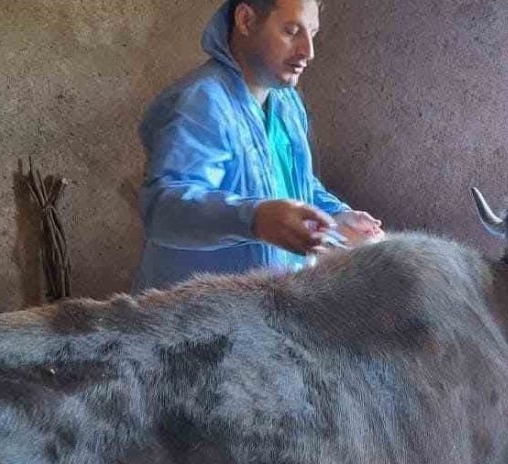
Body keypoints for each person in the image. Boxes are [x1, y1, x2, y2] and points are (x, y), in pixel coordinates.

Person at [133, 0, 382, 291]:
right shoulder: (201, 103)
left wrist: (335, 216)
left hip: (265, 306)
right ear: (246, 20)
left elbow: (293, 183)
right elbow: (164, 210)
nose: (308, 51)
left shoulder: (285, 102)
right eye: (291, 31)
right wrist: (255, 218)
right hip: (197, 315)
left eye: (311, 33)